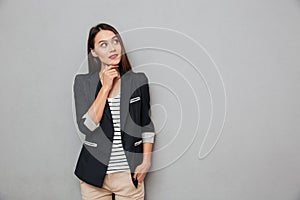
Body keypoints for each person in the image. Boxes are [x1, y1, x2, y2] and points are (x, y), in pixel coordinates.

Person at [73, 23, 156, 200]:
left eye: (115, 41)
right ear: (93, 52)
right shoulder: (83, 83)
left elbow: (146, 125)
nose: (112, 48)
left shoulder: (137, 81)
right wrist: (105, 88)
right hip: (93, 176)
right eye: (103, 44)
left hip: (128, 175)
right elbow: (87, 127)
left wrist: (146, 162)